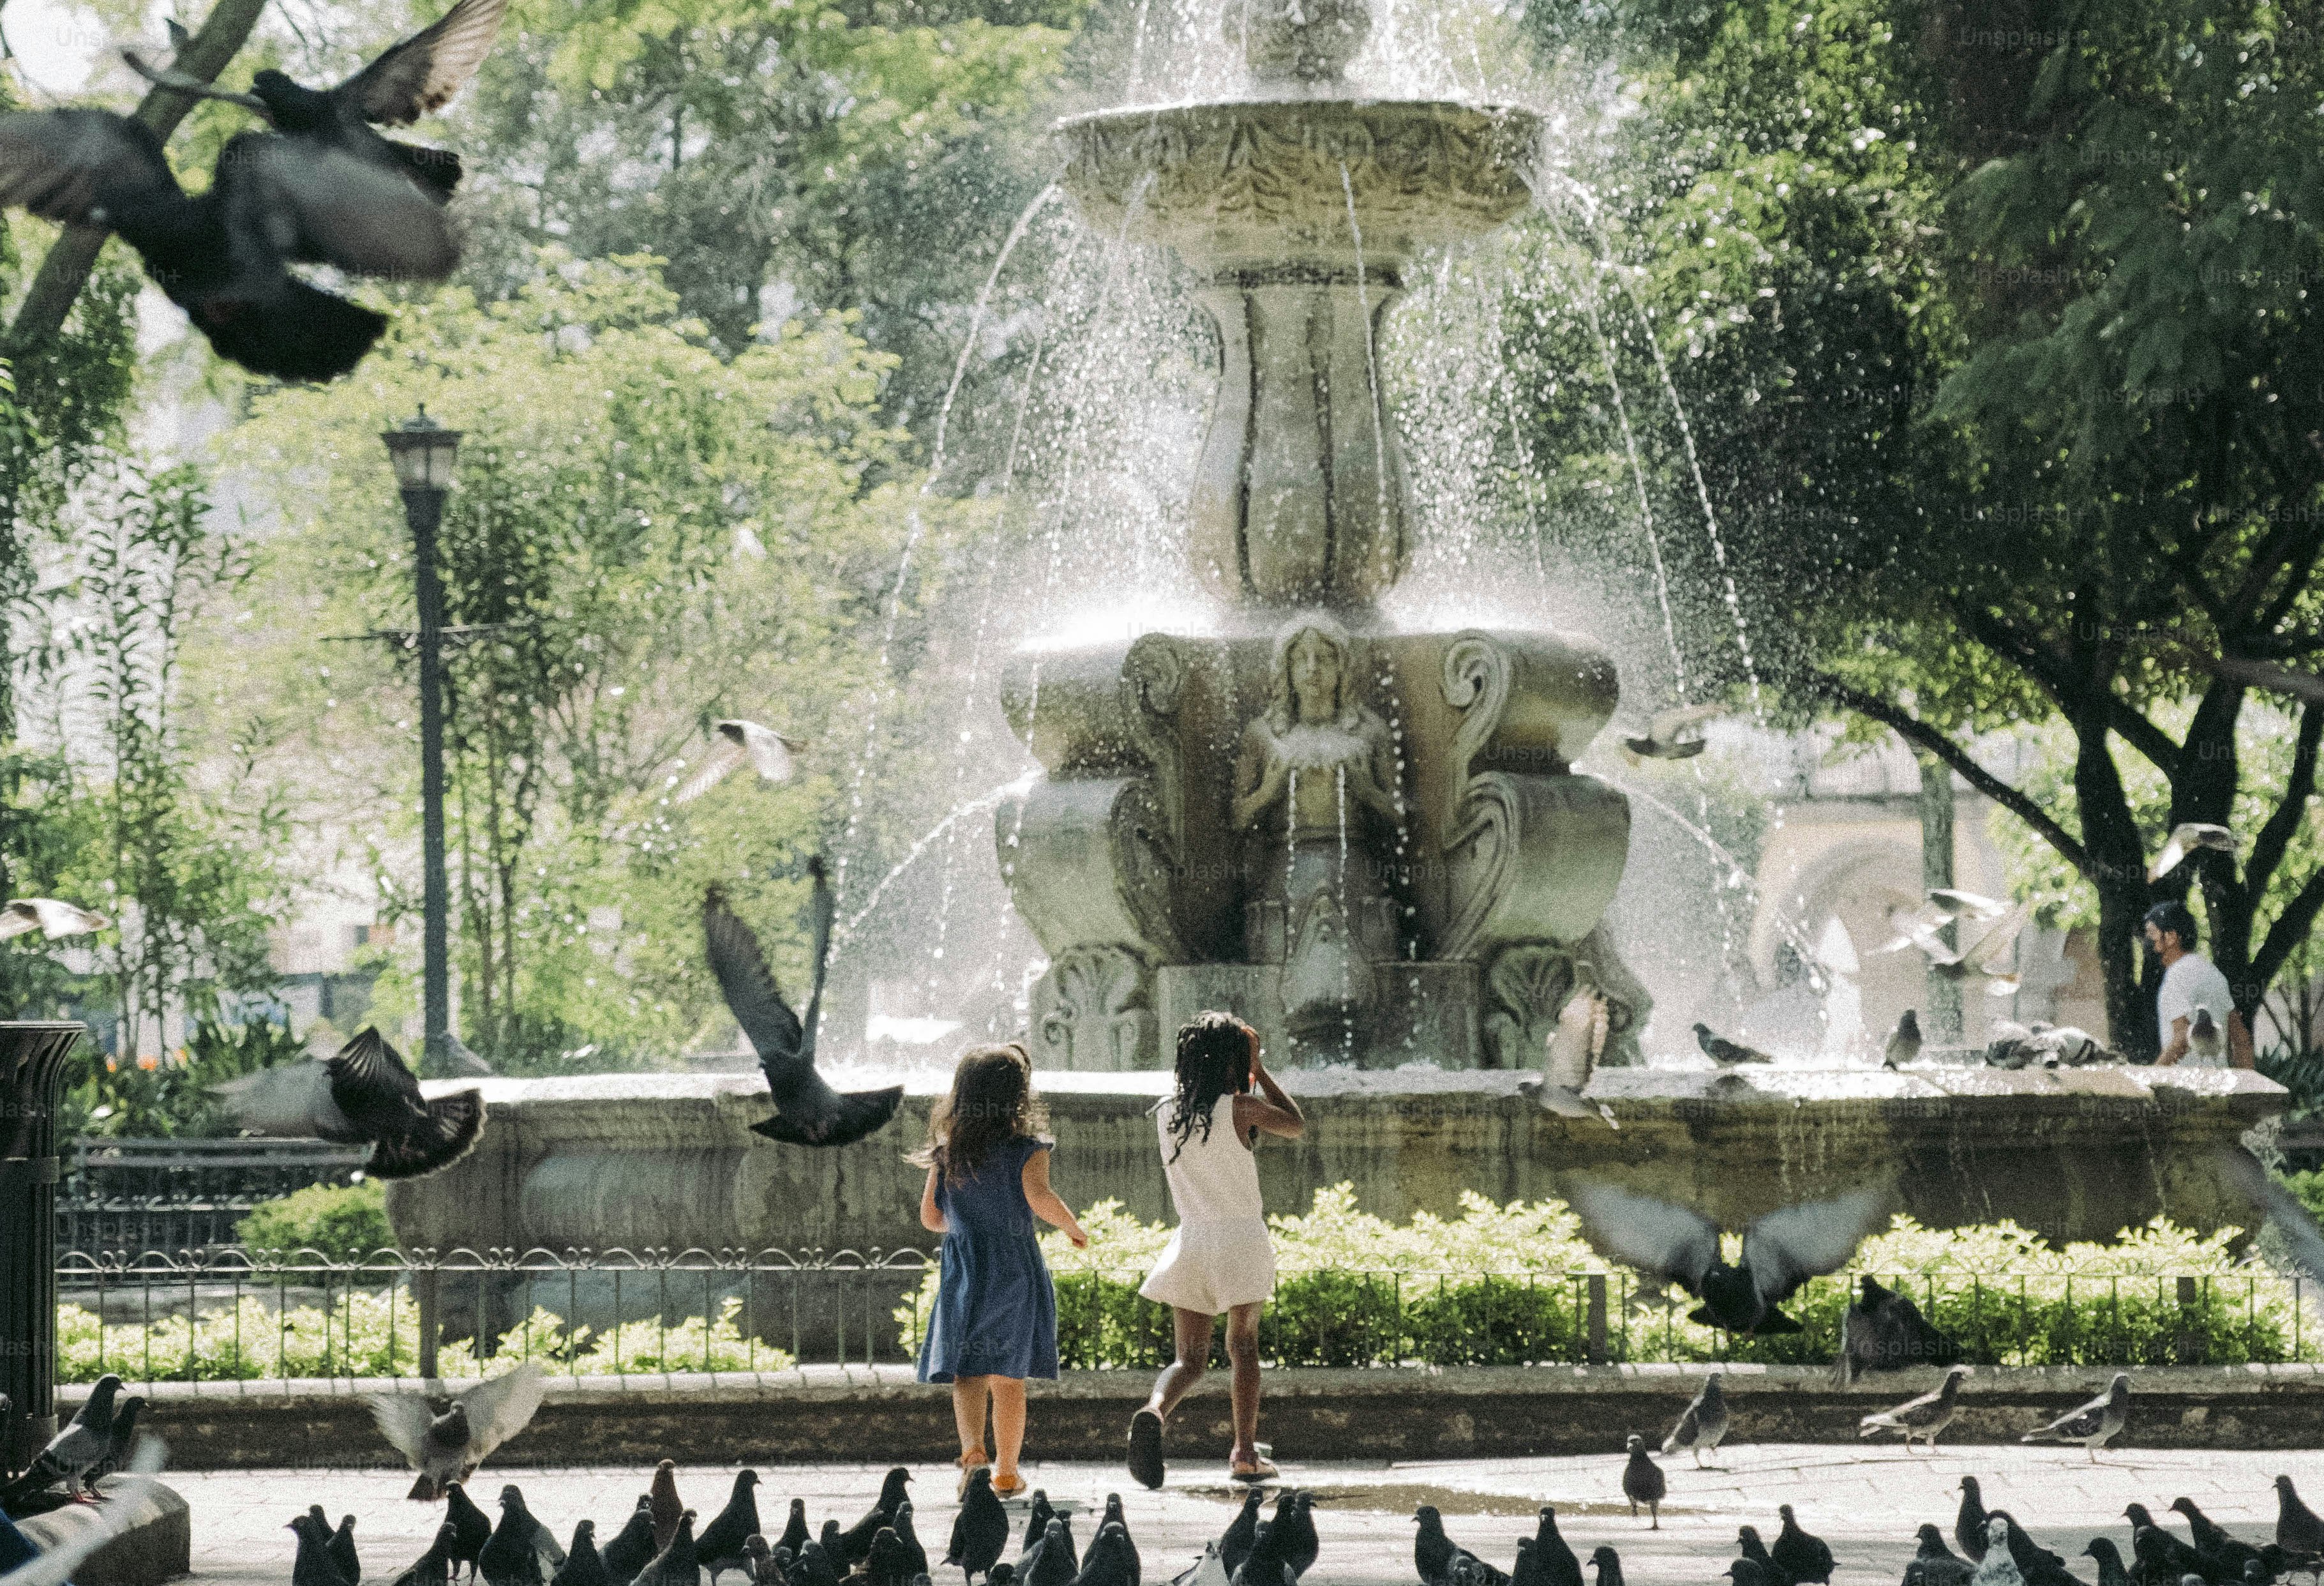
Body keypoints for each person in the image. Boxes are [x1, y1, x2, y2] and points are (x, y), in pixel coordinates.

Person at [1126, 1011, 1305, 1490]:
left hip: (1191, 1240)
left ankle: (1153, 1410)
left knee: (1190, 1360)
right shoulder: (1241, 1108)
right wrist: (1259, 1070)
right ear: (1234, 1060)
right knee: (1242, 1349)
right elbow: (1295, 1125)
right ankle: (1245, 1453)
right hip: (1240, 1240)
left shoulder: (1167, 1112)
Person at [912, 1041, 1088, 1500]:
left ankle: (972, 1454)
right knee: (1007, 1378)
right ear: (1019, 1096)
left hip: (964, 1271)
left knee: (966, 1372)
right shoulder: (1028, 1150)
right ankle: (1006, 1473)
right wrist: (1073, 1227)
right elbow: (1040, 1198)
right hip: (1011, 1268)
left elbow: (930, 1218)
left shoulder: (948, 1152)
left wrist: (968, 1227)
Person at [2143, 900, 2253, 1068]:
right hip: (2219, 1087)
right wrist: (2249, 1088)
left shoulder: (2176, 977)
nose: (2147, 941)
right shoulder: (2213, 973)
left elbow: (2181, 1038)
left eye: (2152, 933)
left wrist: (2152, 1076)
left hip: (2185, 1089)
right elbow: (2240, 1038)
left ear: (2171, 937)